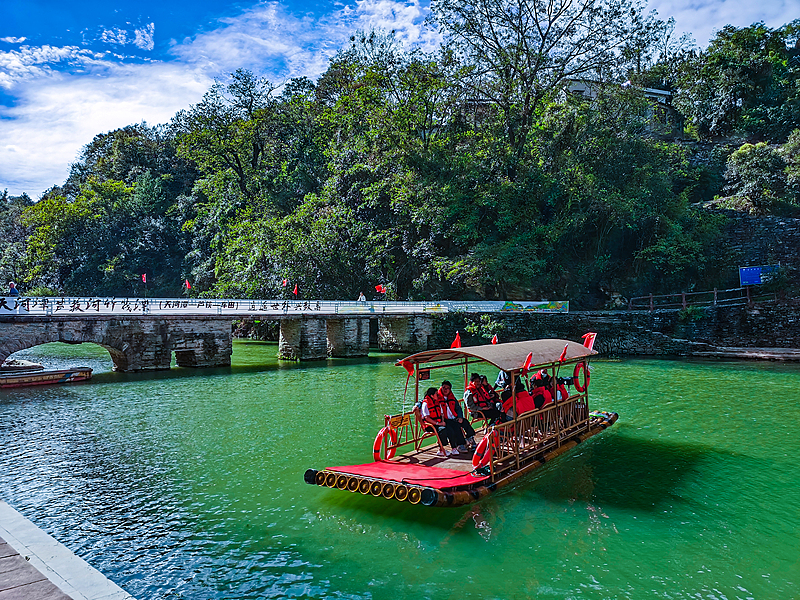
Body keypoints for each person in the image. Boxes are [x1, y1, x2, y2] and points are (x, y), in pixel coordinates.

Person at [420, 387, 459, 457]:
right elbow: (427, 418)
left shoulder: (437, 402)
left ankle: (454, 448)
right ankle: (441, 450)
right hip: (430, 425)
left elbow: (442, 414)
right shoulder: (425, 404)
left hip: (438, 422)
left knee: (450, 428)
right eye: (436, 394)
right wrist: (439, 423)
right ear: (432, 395)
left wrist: (443, 422)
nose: (438, 396)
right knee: (443, 430)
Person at [438, 380, 474, 451]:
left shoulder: (452, 398)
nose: (445, 390)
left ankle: (470, 438)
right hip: (445, 419)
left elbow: (458, 408)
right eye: (444, 388)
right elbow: (425, 400)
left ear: (450, 390)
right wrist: (417, 405)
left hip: (454, 417)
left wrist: (460, 417)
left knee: (465, 422)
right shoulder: (437, 397)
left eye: (447, 388)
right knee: (455, 426)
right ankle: (460, 444)